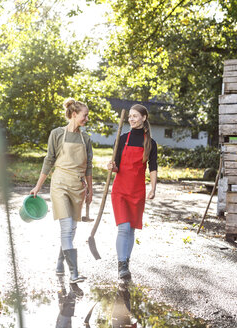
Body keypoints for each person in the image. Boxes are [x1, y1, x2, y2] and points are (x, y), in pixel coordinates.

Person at [30, 98, 93, 284]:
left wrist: (90, 190)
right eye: (85, 115)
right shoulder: (57, 134)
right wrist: (38, 186)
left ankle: (60, 263)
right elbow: (49, 160)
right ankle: (74, 273)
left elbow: (89, 167)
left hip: (78, 186)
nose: (86, 119)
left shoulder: (86, 138)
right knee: (66, 229)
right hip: (59, 185)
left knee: (71, 230)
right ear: (74, 114)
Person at [107, 104, 157, 280]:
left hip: (137, 191)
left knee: (131, 230)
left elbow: (153, 167)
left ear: (144, 118)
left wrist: (153, 187)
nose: (131, 119)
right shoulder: (122, 139)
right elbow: (116, 166)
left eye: (135, 116)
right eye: (130, 116)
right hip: (120, 190)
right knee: (124, 227)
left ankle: (126, 262)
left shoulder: (150, 143)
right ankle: (121, 265)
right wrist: (112, 166)